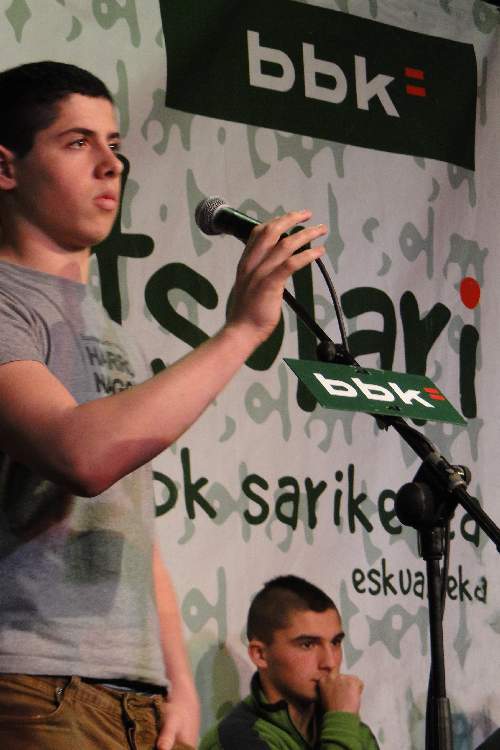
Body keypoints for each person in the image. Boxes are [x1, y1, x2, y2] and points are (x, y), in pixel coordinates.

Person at [0, 61, 327, 750]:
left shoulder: (110, 328)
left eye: (114, 143)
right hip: (30, 682)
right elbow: (80, 455)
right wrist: (242, 330)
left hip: (134, 695)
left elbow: (133, 524)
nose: (110, 164)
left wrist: (175, 680)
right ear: (6, 167)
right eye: (77, 142)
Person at [200, 575, 379, 750]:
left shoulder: (350, 728)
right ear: (260, 655)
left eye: (335, 642)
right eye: (307, 645)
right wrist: (341, 723)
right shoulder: (235, 738)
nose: (330, 662)